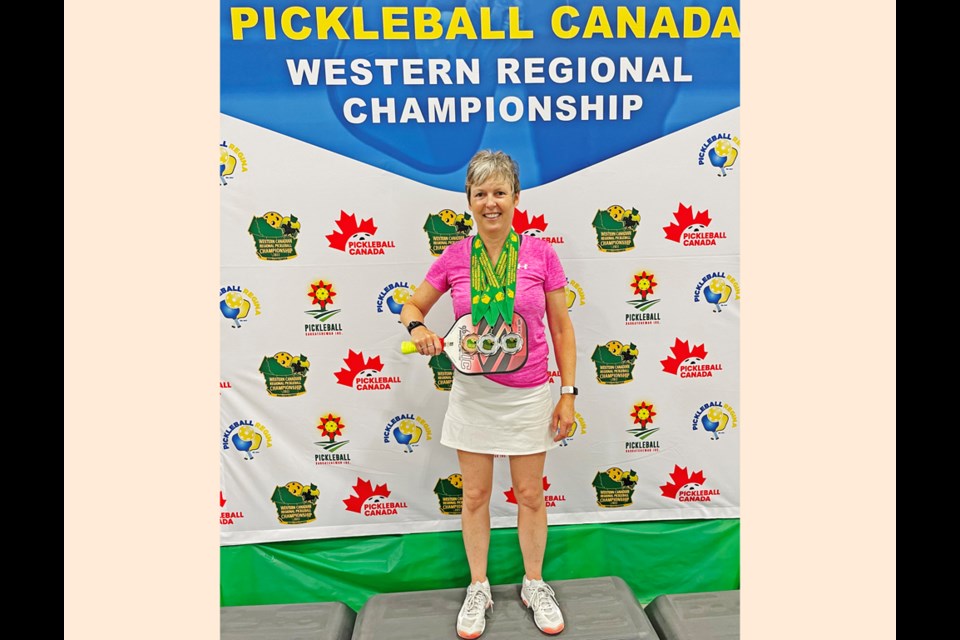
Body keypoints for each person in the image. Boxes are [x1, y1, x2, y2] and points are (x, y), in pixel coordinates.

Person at [400, 150, 578, 638]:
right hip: (473, 396)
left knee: (529, 494)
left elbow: (562, 328)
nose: (491, 203)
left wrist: (568, 393)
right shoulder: (456, 256)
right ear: (469, 201)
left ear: (516, 198)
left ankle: (534, 583)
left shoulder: (541, 255)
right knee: (475, 494)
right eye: (481, 194)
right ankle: (478, 587)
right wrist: (418, 326)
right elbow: (412, 304)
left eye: (500, 192)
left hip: (530, 396)